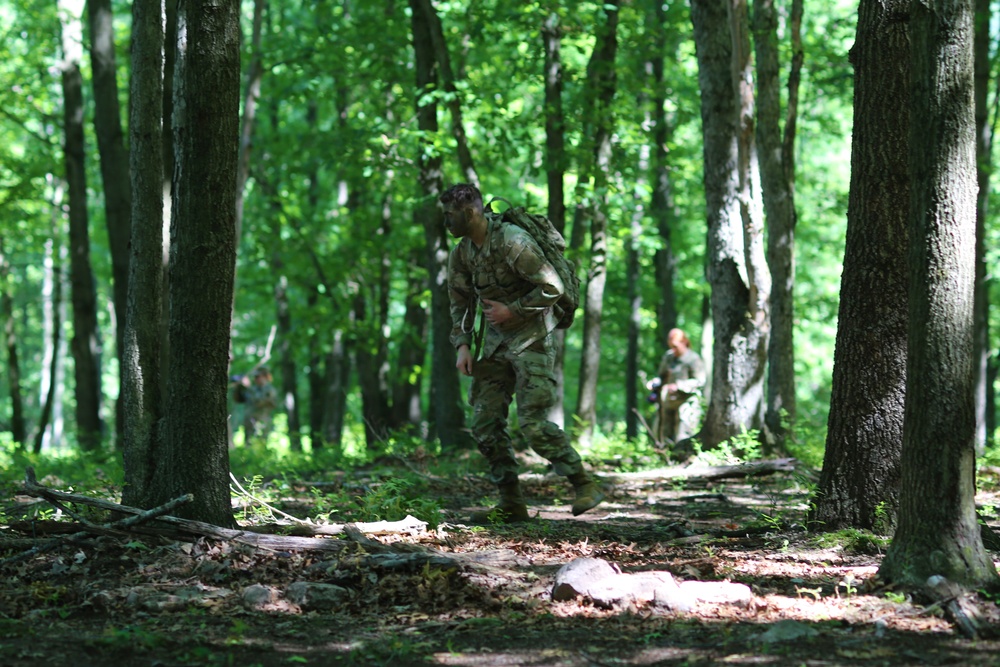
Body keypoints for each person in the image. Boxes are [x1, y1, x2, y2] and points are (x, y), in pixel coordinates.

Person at [442, 183, 604, 523]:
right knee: (485, 424)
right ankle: (511, 502)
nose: (446, 222)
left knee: (533, 425)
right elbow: (459, 299)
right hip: (495, 343)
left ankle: (584, 483)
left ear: (470, 213)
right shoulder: (463, 253)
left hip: (533, 337)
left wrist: (513, 309)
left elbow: (553, 287)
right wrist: (462, 345)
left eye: (450, 215)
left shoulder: (513, 241)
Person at [645, 328, 706, 449]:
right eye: (671, 346)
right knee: (663, 431)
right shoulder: (669, 357)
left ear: (684, 342)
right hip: (668, 401)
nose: (673, 349)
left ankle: (683, 456)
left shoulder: (693, 359)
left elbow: (700, 381)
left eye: (675, 346)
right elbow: (662, 376)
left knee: (683, 433)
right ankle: (664, 457)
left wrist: (679, 386)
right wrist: (654, 383)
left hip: (686, 402)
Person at [242, 366, 278, 445]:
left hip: (262, 421)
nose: (256, 379)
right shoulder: (254, 388)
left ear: (265, 376)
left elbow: (259, 402)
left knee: (261, 444)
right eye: (255, 377)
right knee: (248, 444)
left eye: (258, 376)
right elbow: (240, 399)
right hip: (250, 421)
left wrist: (248, 387)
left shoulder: (269, 390)